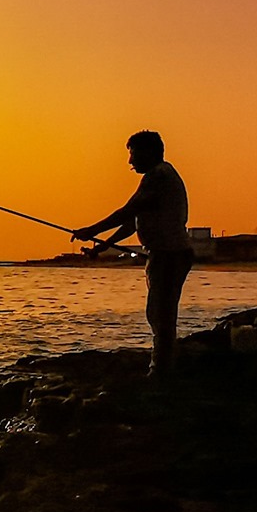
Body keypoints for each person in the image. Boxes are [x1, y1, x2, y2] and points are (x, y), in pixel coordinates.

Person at [73, 130, 193, 376]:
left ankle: (160, 372)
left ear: (149, 152)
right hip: (166, 254)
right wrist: (103, 245)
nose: (130, 161)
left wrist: (91, 229)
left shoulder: (158, 176)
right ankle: (162, 367)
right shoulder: (160, 175)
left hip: (169, 254)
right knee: (160, 314)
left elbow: (128, 211)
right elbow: (134, 221)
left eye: (133, 154)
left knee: (160, 315)